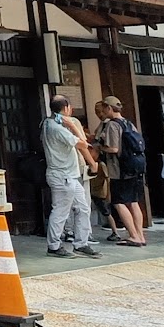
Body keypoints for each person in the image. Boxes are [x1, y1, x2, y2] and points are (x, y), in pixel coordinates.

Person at [39, 94, 100, 258]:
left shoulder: (47, 123)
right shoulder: (57, 128)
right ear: (66, 108)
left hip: (68, 175)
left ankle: (81, 243)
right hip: (62, 176)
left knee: (83, 207)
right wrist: (73, 125)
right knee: (60, 211)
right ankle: (54, 246)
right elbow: (83, 143)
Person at [94, 97, 149, 246]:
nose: (103, 112)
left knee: (119, 202)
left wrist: (100, 148)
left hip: (119, 170)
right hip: (135, 168)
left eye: (104, 109)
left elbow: (113, 148)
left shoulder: (113, 125)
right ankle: (140, 236)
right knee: (134, 202)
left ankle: (133, 235)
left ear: (109, 108)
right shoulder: (129, 123)